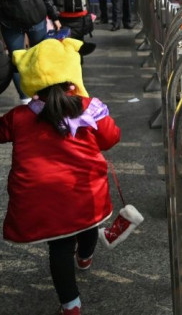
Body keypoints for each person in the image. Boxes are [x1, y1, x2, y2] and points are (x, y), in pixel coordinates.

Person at [1, 37, 121, 315]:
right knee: (88, 224)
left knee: (59, 247)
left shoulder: (20, 117)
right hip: (84, 191)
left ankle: (71, 305)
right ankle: (86, 257)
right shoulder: (89, 107)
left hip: (41, 199)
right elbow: (111, 138)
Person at [0, 0, 60, 103]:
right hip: (35, 15)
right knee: (40, 55)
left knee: (18, 60)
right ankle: (46, 94)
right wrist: (54, 16)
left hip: (10, 20)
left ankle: (26, 100)